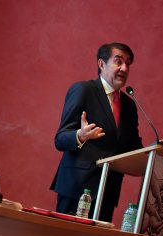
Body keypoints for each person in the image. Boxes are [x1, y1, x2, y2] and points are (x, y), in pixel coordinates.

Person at [50, 42, 143, 222]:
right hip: (76, 189)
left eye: (128, 63)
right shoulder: (84, 90)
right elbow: (60, 139)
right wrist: (80, 135)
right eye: (118, 61)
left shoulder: (129, 105)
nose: (124, 68)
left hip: (107, 191)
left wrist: (157, 151)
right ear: (101, 64)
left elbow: (134, 146)